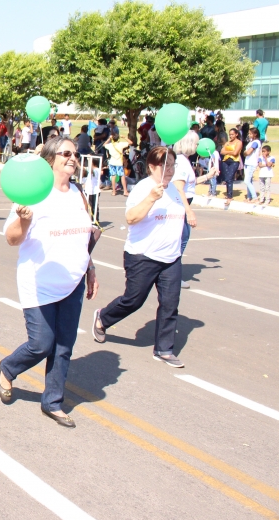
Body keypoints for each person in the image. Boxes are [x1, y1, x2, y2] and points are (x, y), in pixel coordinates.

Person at [0, 137, 98, 428]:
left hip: (73, 281)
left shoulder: (79, 193)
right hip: (39, 281)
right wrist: (24, 220)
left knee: (64, 345)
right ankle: (8, 367)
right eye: (66, 153)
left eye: (75, 154)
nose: (73, 158)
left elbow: (84, 235)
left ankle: (52, 402)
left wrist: (90, 267)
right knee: (41, 344)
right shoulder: (34, 192)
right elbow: (11, 239)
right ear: (50, 159)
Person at [92, 147, 186, 368]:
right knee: (134, 300)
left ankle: (164, 349)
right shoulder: (143, 189)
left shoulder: (173, 188)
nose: (170, 170)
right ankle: (103, 318)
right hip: (143, 256)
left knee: (170, 303)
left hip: (171, 258)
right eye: (165, 166)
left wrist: (188, 212)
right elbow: (131, 218)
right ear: (152, 167)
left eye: (172, 165)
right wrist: (151, 198)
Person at [172, 131, 217, 289]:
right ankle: (172, 276)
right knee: (180, 240)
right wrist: (188, 211)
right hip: (180, 205)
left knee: (181, 240)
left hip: (183, 204)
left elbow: (190, 183)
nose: (198, 146)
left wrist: (208, 176)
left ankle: (171, 274)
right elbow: (179, 188)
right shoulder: (181, 162)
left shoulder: (184, 161)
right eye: (196, 143)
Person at [104, 128, 130, 196]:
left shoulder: (110, 145)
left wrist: (109, 139)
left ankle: (113, 191)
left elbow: (104, 144)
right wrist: (124, 137)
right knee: (122, 176)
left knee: (113, 176)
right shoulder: (121, 144)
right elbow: (130, 143)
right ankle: (125, 191)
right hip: (119, 163)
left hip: (112, 162)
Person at [219, 128, 242, 202]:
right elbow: (222, 151)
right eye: (230, 134)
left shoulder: (238, 142)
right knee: (227, 178)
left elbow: (235, 153)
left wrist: (227, 151)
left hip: (234, 161)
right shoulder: (227, 143)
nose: (231, 136)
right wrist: (230, 151)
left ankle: (230, 196)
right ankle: (228, 194)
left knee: (230, 177)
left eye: (232, 134)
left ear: (236, 134)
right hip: (225, 161)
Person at [242, 126, 261, 202]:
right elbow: (245, 152)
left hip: (252, 163)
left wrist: (245, 153)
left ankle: (254, 197)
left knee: (246, 181)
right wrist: (245, 153)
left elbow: (248, 152)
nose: (249, 135)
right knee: (249, 181)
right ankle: (249, 197)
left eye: (250, 134)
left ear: (255, 134)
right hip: (247, 162)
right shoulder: (251, 142)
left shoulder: (256, 142)